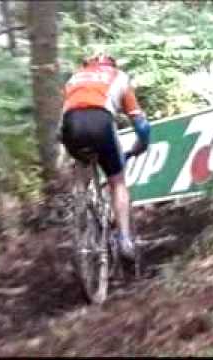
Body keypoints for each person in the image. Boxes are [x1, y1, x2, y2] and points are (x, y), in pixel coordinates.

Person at [60, 53, 151, 260]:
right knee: (117, 181)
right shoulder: (118, 76)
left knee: (82, 163)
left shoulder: (74, 79)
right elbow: (140, 123)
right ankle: (125, 240)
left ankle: (81, 205)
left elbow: (62, 121)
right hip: (100, 122)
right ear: (111, 65)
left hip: (71, 126)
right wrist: (142, 144)